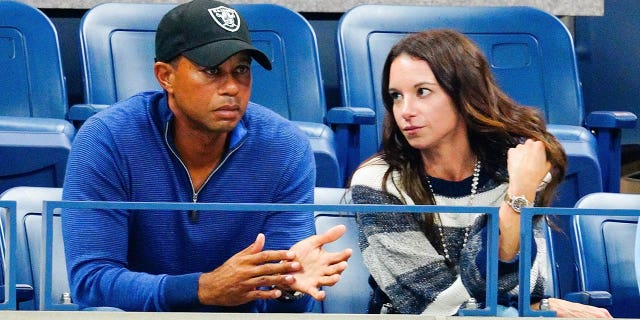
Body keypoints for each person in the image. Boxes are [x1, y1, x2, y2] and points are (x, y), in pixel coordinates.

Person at [61, 0, 351, 312]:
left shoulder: (285, 148)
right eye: (211, 70)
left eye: (241, 70)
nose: (231, 87)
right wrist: (202, 288)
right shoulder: (108, 139)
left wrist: (290, 288)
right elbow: (92, 284)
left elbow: (282, 300)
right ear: (165, 76)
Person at [349, 29, 611, 318]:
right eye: (396, 96)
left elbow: (517, 287)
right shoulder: (378, 182)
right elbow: (430, 305)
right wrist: (543, 309)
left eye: (422, 91)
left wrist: (519, 190)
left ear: (465, 93)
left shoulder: (515, 170)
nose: (405, 111)